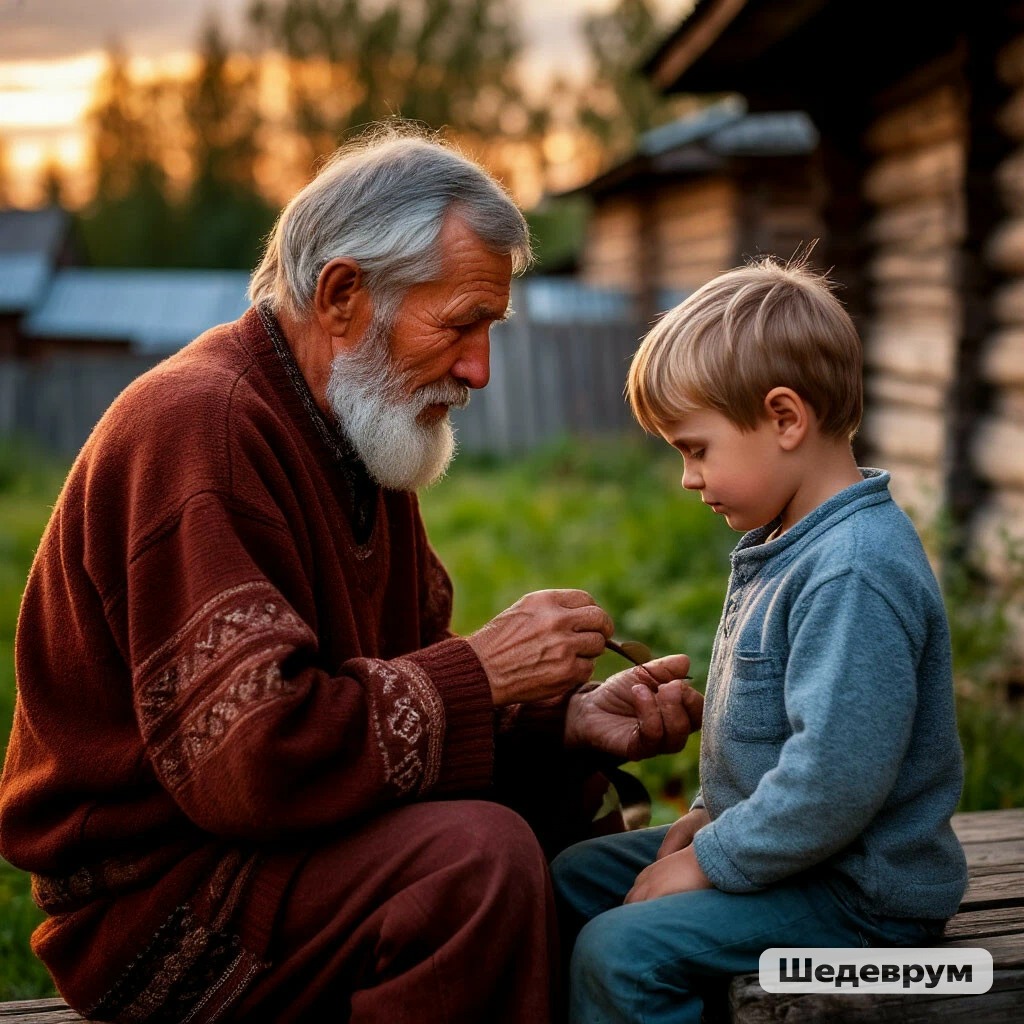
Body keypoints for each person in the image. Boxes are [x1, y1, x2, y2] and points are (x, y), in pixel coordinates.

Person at [0, 125, 703, 1024]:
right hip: (157, 909)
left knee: (566, 849)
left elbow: (394, 706)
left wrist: (560, 728)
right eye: (460, 325)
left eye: (490, 328)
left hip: (274, 851)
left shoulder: (357, 434)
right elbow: (250, 765)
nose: (480, 369)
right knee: (473, 864)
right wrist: (483, 671)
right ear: (342, 296)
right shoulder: (199, 430)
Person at [551, 255, 969, 1024]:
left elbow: (831, 783)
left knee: (619, 954)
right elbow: (777, 738)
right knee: (573, 879)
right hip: (796, 858)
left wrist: (707, 864)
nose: (686, 477)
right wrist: (709, 814)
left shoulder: (853, 570)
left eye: (695, 448)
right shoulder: (795, 542)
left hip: (861, 907)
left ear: (784, 418)